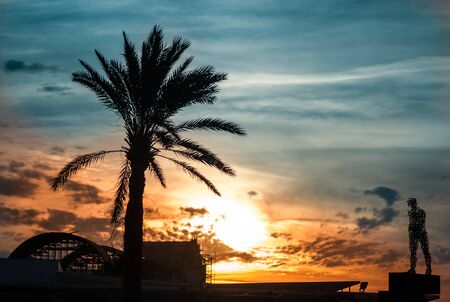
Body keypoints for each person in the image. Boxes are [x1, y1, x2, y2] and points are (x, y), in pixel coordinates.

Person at [407, 198, 432, 275]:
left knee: (425, 251)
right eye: (410, 204)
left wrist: (413, 225)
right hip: (413, 235)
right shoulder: (410, 213)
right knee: (413, 252)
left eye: (411, 203)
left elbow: (421, 222)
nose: (410, 205)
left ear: (415, 203)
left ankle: (428, 268)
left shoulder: (421, 212)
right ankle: (412, 268)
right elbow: (411, 223)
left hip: (421, 234)